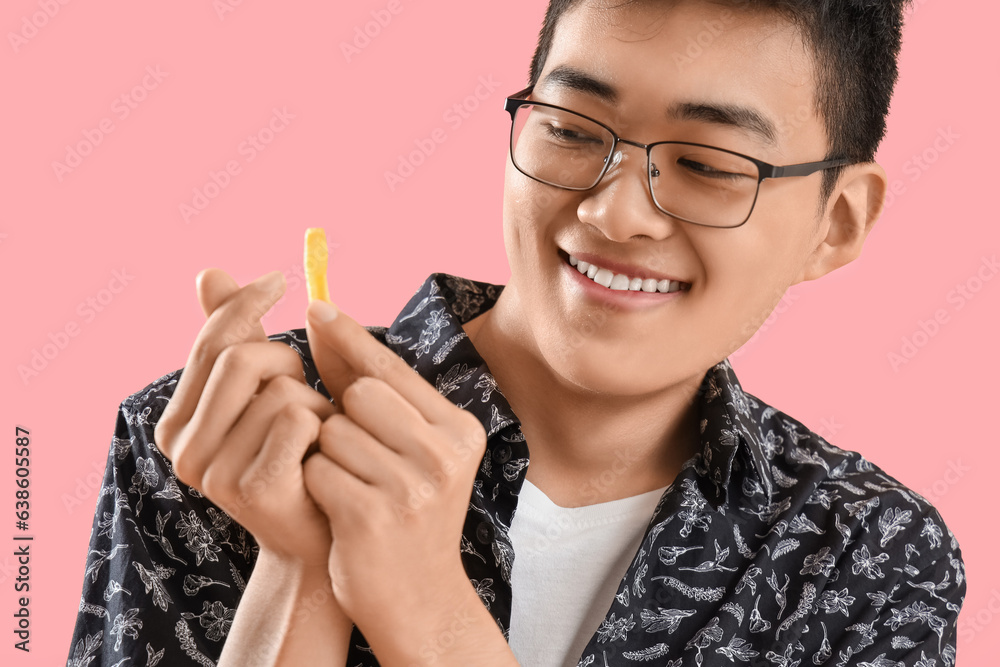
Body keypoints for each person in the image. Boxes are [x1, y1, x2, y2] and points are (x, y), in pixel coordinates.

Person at [67, 0, 966, 665]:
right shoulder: (225, 441)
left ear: (837, 221)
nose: (614, 214)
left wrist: (428, 613)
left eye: (704, 164)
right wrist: (300, 565)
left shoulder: (867, 554)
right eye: (573, 129)